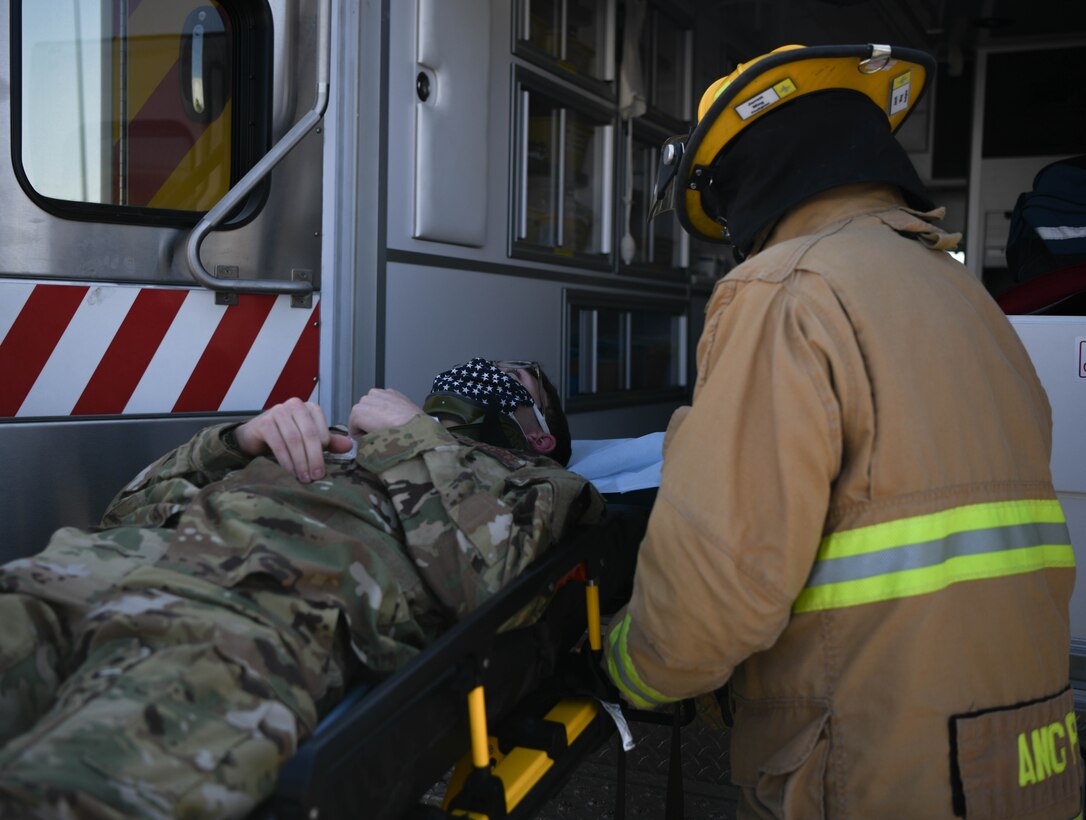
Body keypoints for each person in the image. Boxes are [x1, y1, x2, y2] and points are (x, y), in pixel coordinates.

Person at [603, 44, 1080, 819]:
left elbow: (718, 591)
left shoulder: (787, 288)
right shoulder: (969, 301)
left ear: (744, 180)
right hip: (1027, 754)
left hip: (885, 765)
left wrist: (626, 665)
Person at [0, 357, 602, 818]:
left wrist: (417, 440)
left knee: (66, 793)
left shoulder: (537, 483)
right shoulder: (341, 437)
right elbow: (124, 514)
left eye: (515, 375)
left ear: (541, 430)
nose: (488, 369)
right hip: (91, 569)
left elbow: (487, 590)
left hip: (247, 616)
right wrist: (235, 442)